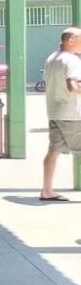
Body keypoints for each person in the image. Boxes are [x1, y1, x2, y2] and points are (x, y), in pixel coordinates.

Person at [40, 27, 81, 201]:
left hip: (54, 112)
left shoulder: (51, 58)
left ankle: (47, 190)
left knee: (53, 151)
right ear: (71, 40)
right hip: (71, 115)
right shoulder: (72, 60)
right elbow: (73, 87)